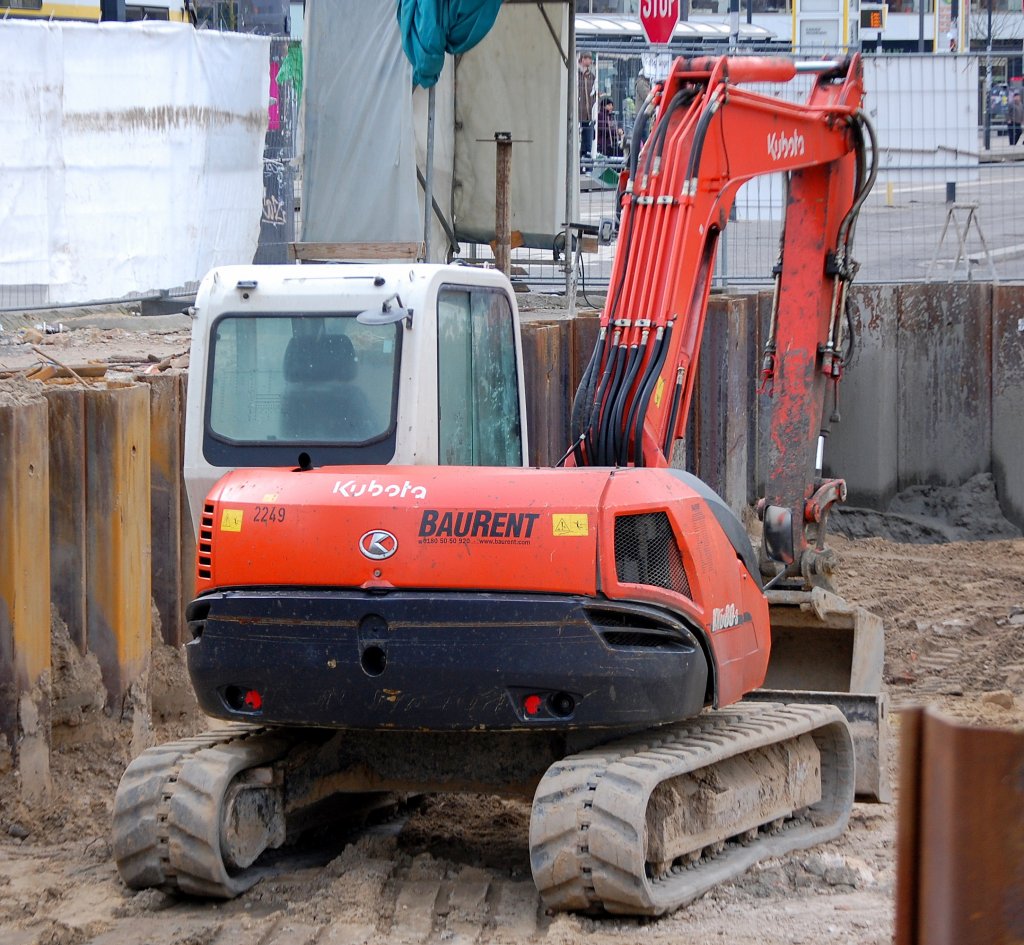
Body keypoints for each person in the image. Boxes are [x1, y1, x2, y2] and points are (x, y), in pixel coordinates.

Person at [578, 51, 597, 168]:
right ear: (583, 59)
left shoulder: (592, 76)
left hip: (589, 115)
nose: (590, 61)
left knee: (588, 143)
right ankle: (579, 166)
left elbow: (593, 93)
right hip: (578, 114)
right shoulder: (576, 74)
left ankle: (588, 167)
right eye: (589, 59)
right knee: (578, 142)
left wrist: (594, 102)